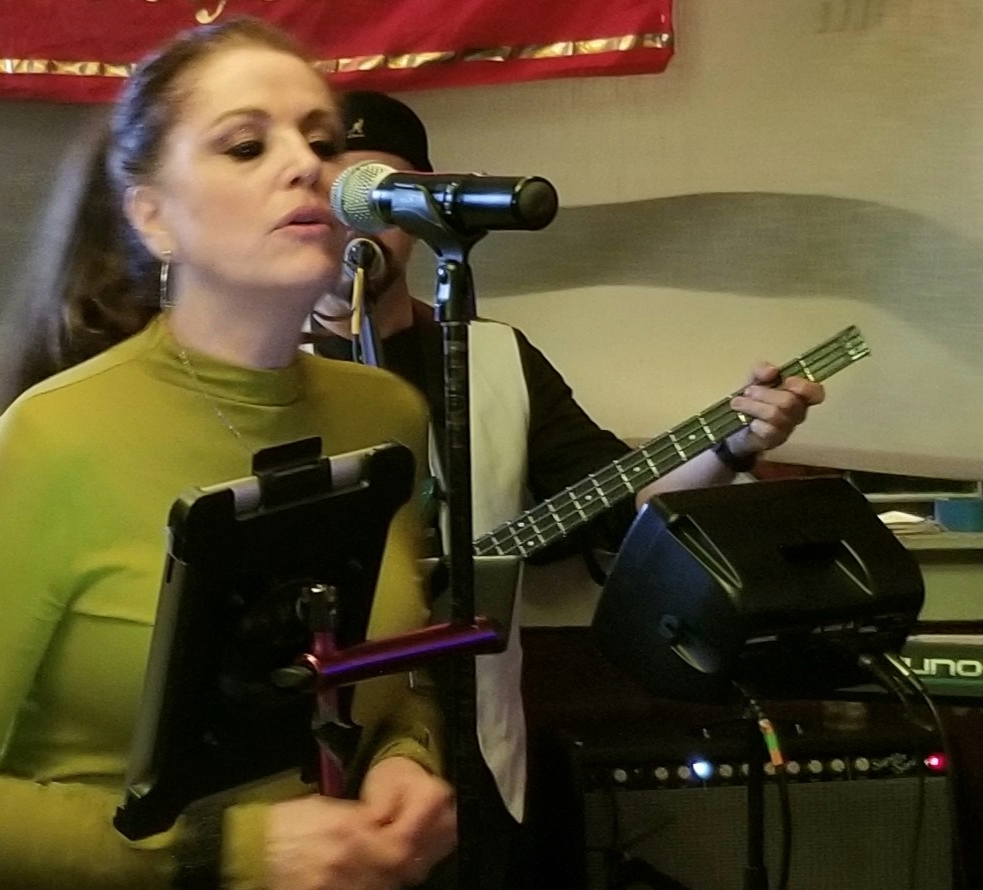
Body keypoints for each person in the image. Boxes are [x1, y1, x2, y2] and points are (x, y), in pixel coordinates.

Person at [0, 23, 456, 890]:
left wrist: (406, 755)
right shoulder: (57, 435)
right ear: (152, 216)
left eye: (322, 141)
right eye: (246, 145)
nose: (306, 165)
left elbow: (390, 674)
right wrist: (228, 850)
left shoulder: (385, 414)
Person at [311, 90, 826, 888]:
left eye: (379, 196)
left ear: (422, 211)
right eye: (333, 196)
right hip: (304, 758)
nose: (353, 222)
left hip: (472, 747)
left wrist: (733, 441)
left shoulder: (493, 357)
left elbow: (618, 503)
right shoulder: (254, 371)